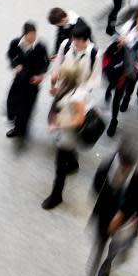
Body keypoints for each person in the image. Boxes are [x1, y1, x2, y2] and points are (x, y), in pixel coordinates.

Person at [89, 142, 138, 276]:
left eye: (130, 166)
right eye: (125, 165)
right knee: (101, 236)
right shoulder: (109, 163)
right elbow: (97, 184)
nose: (128, 169)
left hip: (126, 214)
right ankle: (98, 253)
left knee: (118, 242)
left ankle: (109, 260)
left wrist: (122, 213)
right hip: (106, 209)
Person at [42, 60, 87, 210]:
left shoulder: (77, 96)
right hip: (63, 128)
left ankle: (56, 196)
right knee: (68, 156)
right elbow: (58, 96)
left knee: (60, 167)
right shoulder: (68, 85)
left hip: (68, 134)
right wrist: (54, 87)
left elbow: (79, 120)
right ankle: (73, 164)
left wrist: (58, 125)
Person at [108, 7, 138, 126]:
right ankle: (116, 112)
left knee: (131, 84)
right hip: (123, 62)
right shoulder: (129, 26)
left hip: (137, 64)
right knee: (120, 87)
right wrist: (120, 42)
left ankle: (127, 98)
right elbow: (117, 43)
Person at [5, 22, 50, 140]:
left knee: (26, 108)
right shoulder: (16, 43)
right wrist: (15, 65)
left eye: (34, 34)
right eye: (31, 35)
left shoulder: (40, 46)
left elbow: (46, 62)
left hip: (32, 81)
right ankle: (15, 120)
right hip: (19, 79)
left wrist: (41, 75)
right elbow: (10, 55)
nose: (33, 37)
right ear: (24, 34)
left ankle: (20, 129)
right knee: (12, 100)